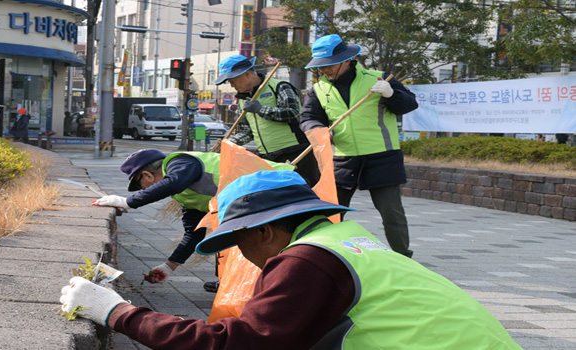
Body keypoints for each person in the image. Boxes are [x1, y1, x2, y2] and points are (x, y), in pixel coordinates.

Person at [61, 171, 522, 349]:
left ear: (265, 231)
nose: (241, 257)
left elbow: (233, 345)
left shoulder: (307, 260)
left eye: (236, 243)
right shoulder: (346, 239)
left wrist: (117, 311)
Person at [92, 149, 293, 293]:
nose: (144, 190)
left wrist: (129, 202)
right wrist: (169, 266)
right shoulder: (183, 194)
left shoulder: (180, 162)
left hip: (283, 185)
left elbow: (174, 182)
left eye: (141, 186)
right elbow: (194, 233)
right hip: (261, 205)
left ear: (147, 175)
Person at [299, 34, 418, 258]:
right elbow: (307, 118)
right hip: (344, 159)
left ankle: (403, 257)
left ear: (347, 60)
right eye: (320, 66)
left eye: (330, 65)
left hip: (383, 157)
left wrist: (391, 93)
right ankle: (325, 256)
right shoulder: (318, 90)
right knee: (330, 213)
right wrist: (318, 130)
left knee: (392, 214)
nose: (325, 70)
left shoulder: (379, 79)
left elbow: (410, 104)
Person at [213, 55, 320, 187]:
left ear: (246, 74)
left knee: (304, 194)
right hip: (267, 158)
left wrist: (260, 109)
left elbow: (294, 114)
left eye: (233, 80)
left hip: (295, 152)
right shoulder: (242, 100)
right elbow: (249, 131)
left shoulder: (279, 87)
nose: (232, 85)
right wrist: (228, 143)